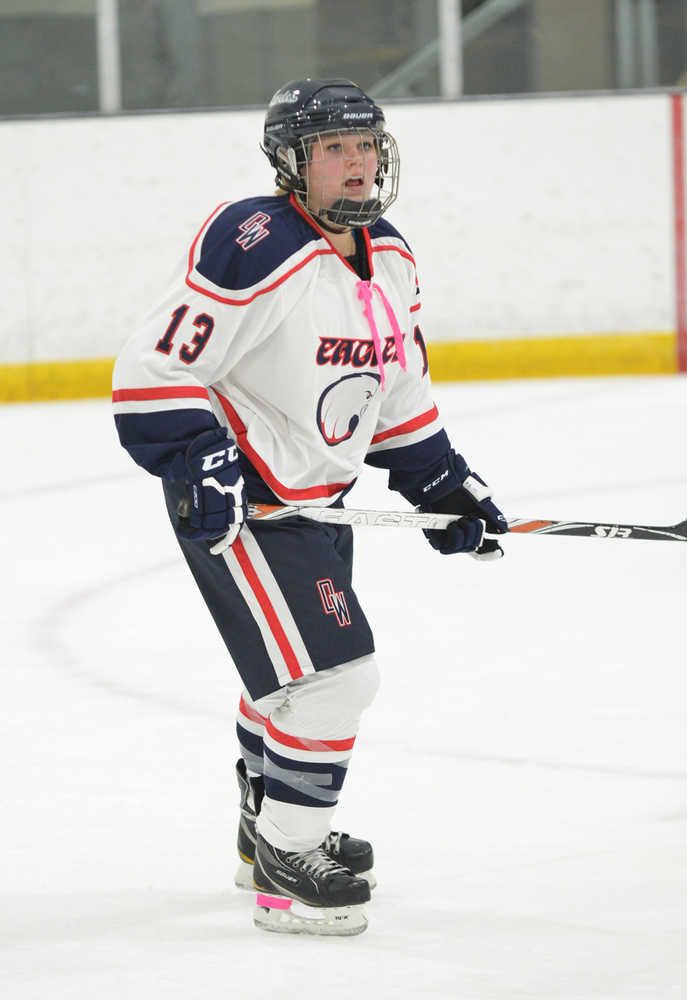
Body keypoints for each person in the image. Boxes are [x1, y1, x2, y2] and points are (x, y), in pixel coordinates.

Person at [112, 78, 508, 937]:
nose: (358, 165)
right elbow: (153, 370)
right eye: (335, 149)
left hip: (321, 504)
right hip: (244, 504)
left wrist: (443, 482)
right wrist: (197, 460)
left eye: (366, 147)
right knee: (332, 679)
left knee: (287, 681)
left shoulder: (391, 253)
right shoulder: (253, 241)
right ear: (293, 162)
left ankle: (266, 834)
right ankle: (292, 856)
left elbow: (397, 388)